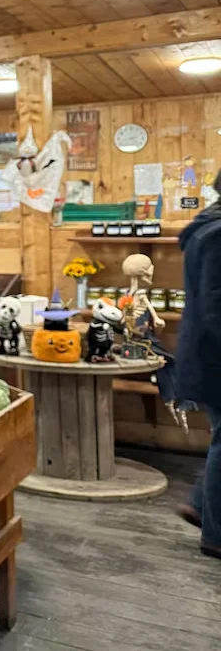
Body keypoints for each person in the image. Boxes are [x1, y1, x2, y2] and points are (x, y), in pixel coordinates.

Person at [175, 172, 221, 561]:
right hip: (215, 357)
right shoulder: (217, 233)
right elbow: (216, 307)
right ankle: (216, 533)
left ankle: (203, 507)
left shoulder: (207, 227)